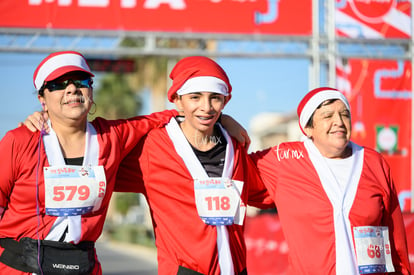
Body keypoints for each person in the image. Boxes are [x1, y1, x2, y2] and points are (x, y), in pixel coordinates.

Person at [0, 50, 179, 275]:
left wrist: (223, 120)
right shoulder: (19, 140)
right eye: (58, 84)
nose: (72, 88)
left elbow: (165, 117)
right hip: (19, 268)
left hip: (83, 267)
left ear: (91, 92)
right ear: (42, 99)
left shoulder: (112, 136)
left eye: (81, 81)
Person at [114, 56, 274, 275]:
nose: (206, 107)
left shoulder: (235, 146)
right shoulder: (153, 147)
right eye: (195, 97)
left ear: (225, 101)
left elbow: (264, 191)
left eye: (215, 98)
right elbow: (101, 159)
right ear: (178, 100)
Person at [250, 87, 411, 275]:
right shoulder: (285, 160)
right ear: (308, 128)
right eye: (328, 116)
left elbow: (395, 239)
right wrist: (221, 127)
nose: (339, 122)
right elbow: (234, 168)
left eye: (345, 114)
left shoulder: (374, 162)